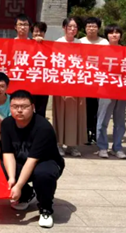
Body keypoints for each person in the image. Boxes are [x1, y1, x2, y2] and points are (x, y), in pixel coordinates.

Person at [1, 90, 64, 229]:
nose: (19, 110)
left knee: (43, 174)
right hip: (21, 161)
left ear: (33, 107)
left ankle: (46, 209)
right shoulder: (6, 124)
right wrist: (11, 178)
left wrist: (18, 186)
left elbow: (32, 160)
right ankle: (27, 195)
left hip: (46, 162)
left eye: (24, 106)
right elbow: (7, 153)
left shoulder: (43, 127)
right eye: (15, 106)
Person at [53, 17, 87, 157]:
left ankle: (73, 145)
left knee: (75, 115)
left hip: (77, 84)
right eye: (70, 26)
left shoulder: (81, 43)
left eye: (75, 27)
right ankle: (59, 144)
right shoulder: (57, 43)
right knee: (61, 114)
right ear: (64, 28)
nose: (73, 29)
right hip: (61, 83)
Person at [96, 24, 126, 159]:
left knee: (119, 121)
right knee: (103, 119)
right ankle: (102, 147)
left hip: (122, 89)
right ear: (107, 35)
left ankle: (117, 147)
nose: (114, 35)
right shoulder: (101, 51)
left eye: (117, 32)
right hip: (106, 89)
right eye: (111, 33)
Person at [79, 17, 109, 145]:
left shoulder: (104, 42)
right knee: (86, 106)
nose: (91, 29)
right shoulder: (80, 42)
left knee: (99, 107)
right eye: (89, 26)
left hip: (100, 78)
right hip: (85, 78)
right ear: (85, 28)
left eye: (94, 26)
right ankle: (86, 132)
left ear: (98, 28)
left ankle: (97, 132)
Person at [30, 21, 49, 117]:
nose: (38, 34)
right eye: (36, 31)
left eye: (41, 31)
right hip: (29, 83)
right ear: (32, 32)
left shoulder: (49, 46)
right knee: (29, 110)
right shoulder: (27, 44)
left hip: (43, 85)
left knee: (41, 111)